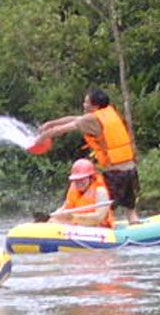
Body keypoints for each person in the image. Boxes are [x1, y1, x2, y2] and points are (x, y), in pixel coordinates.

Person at [33, 87, 140, 223]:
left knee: (105, 209)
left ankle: (100, 232)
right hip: (130, 170)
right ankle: (134, 224)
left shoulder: (91, 120)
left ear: (94, 105)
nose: (84, 105)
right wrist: (51, 123)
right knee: (130, 208)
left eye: (86, 102)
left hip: (115, 173)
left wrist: (39, 139)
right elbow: (75, 119)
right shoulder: (108, 114)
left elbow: (62, 129)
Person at [51, 158, 114, 227]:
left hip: (99, 229)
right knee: (53, 221)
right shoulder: (73, 190)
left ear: (91, 178)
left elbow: (99, 217)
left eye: (82, 179)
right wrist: (56, 216)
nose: (79, 183)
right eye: (76, 180)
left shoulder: (100, 192)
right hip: (79, 227)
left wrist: (73, 217)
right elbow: (64, 208)